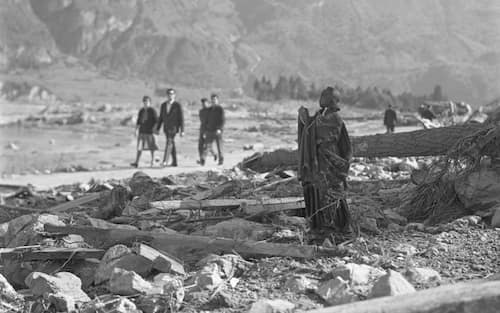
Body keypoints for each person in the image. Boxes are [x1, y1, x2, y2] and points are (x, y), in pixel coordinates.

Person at [298, 87, 352, 231]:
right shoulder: (319, 115)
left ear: (332, 100)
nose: (321, 98)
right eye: (321, 95)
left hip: (329, 161)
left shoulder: (335, 118)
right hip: (317, 162)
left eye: (325, 96)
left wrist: (308, 122)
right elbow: (311, 127)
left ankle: (337, 225)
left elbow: (324, 132)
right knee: (317, 191)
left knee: (331, 192)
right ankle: (319, 225)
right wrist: (304, 118)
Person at [156, 88, 184, 167]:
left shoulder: (177, 105)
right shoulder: (163, 105)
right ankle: (175, 162)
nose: (170, 95)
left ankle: (165, 160)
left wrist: (182, 130)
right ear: (167, 95)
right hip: (166, 128)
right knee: (171, 144)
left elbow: (181, 118)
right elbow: (161, 117)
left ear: (174, 95)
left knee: (169, 142)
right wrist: (157, 128)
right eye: (169, 94)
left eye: (172, 94)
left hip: (174, 128)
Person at [131, 96, 158, 168]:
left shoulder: (152, 110)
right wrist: (136, 130)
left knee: (151, 147)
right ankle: (136, 162)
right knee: (139, 147)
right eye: (144, 101)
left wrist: (154, 129)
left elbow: (156, 121)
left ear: (150, 102)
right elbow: (138, 121)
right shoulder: (141, 111)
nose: (146, 103)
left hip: (149, 131)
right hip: (142, 131)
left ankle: (152, 161)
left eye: (147, 101)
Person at [203, 93, 225, 165]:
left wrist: (219, 129)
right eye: (212, 99)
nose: (213, 101)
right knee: (207, 145)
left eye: (215, 99)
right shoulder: (209, 110)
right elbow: (206, 120)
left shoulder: (220, 109)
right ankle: (203, 159)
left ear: (217, 100)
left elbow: (222, 120)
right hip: (209, 130)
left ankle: (221, 159)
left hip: (217, 131)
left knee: (219, 146)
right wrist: (205, 130)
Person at [197, 98, 214, 165]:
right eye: (202, 103)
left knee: (207, 146)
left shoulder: (211, 111)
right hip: (202, 130)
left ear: (208, 103)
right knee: (200, 146)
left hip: (209, 130)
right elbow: (202, 121)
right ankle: (203, 158)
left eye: (205, 103)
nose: (204, 104)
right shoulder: (201, 111)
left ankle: (203, 159)